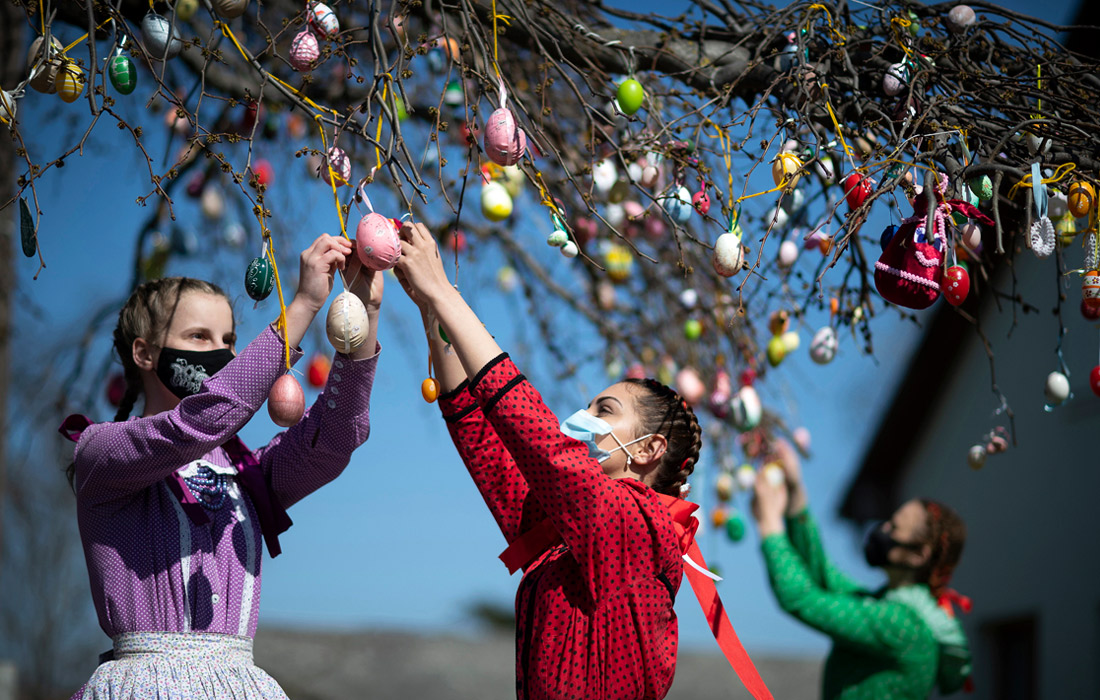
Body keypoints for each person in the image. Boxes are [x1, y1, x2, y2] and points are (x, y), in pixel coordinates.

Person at [392, 221, 771, 700]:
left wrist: (444, 291)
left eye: (604, 411)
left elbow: (538, 438)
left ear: (649, 450)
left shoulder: (637, 527)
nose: (583, 417)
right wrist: (431, 309)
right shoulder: (565, 538)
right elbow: (483, 441)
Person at [58, 234, 382, 699]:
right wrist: (306, 304)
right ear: (145, 353)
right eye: (198, 337)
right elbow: (204, 419)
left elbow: (334, 438)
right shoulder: (101, 454)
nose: (220, 353)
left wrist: (363, 313)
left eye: (229, 340)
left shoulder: (245, 472)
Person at [750, 440, 972, 699]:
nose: (882, 530)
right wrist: (796, 492)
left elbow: (801, 599)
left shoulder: (903, 625)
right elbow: (823, 575)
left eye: (894, 528)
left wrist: (769, 525)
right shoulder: (886, 605)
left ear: (918, 556)